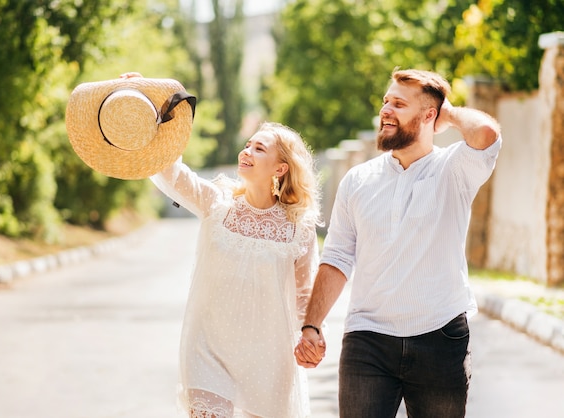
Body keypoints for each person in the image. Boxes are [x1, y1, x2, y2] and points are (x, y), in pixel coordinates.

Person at [294, 68, 502, 417]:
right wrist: (312, 325)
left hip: (440, 337)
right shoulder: (357, 180)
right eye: (385, 101)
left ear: (428, 116)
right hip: (368, 340)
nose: (386, 110)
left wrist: (445, 112)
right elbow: (338, 257)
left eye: (399, 104)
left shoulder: (454, 169)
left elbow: (486, 132)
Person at [118, 73, 323, 418]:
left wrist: (312, 336)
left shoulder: (297, 229)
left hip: (268, 357)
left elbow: (305, 296)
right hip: (208, 349)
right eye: (248, 145)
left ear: (280, 168)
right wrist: (145, 100)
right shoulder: (216, 202)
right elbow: (170, 172)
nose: (247, 152)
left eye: (260, 149)